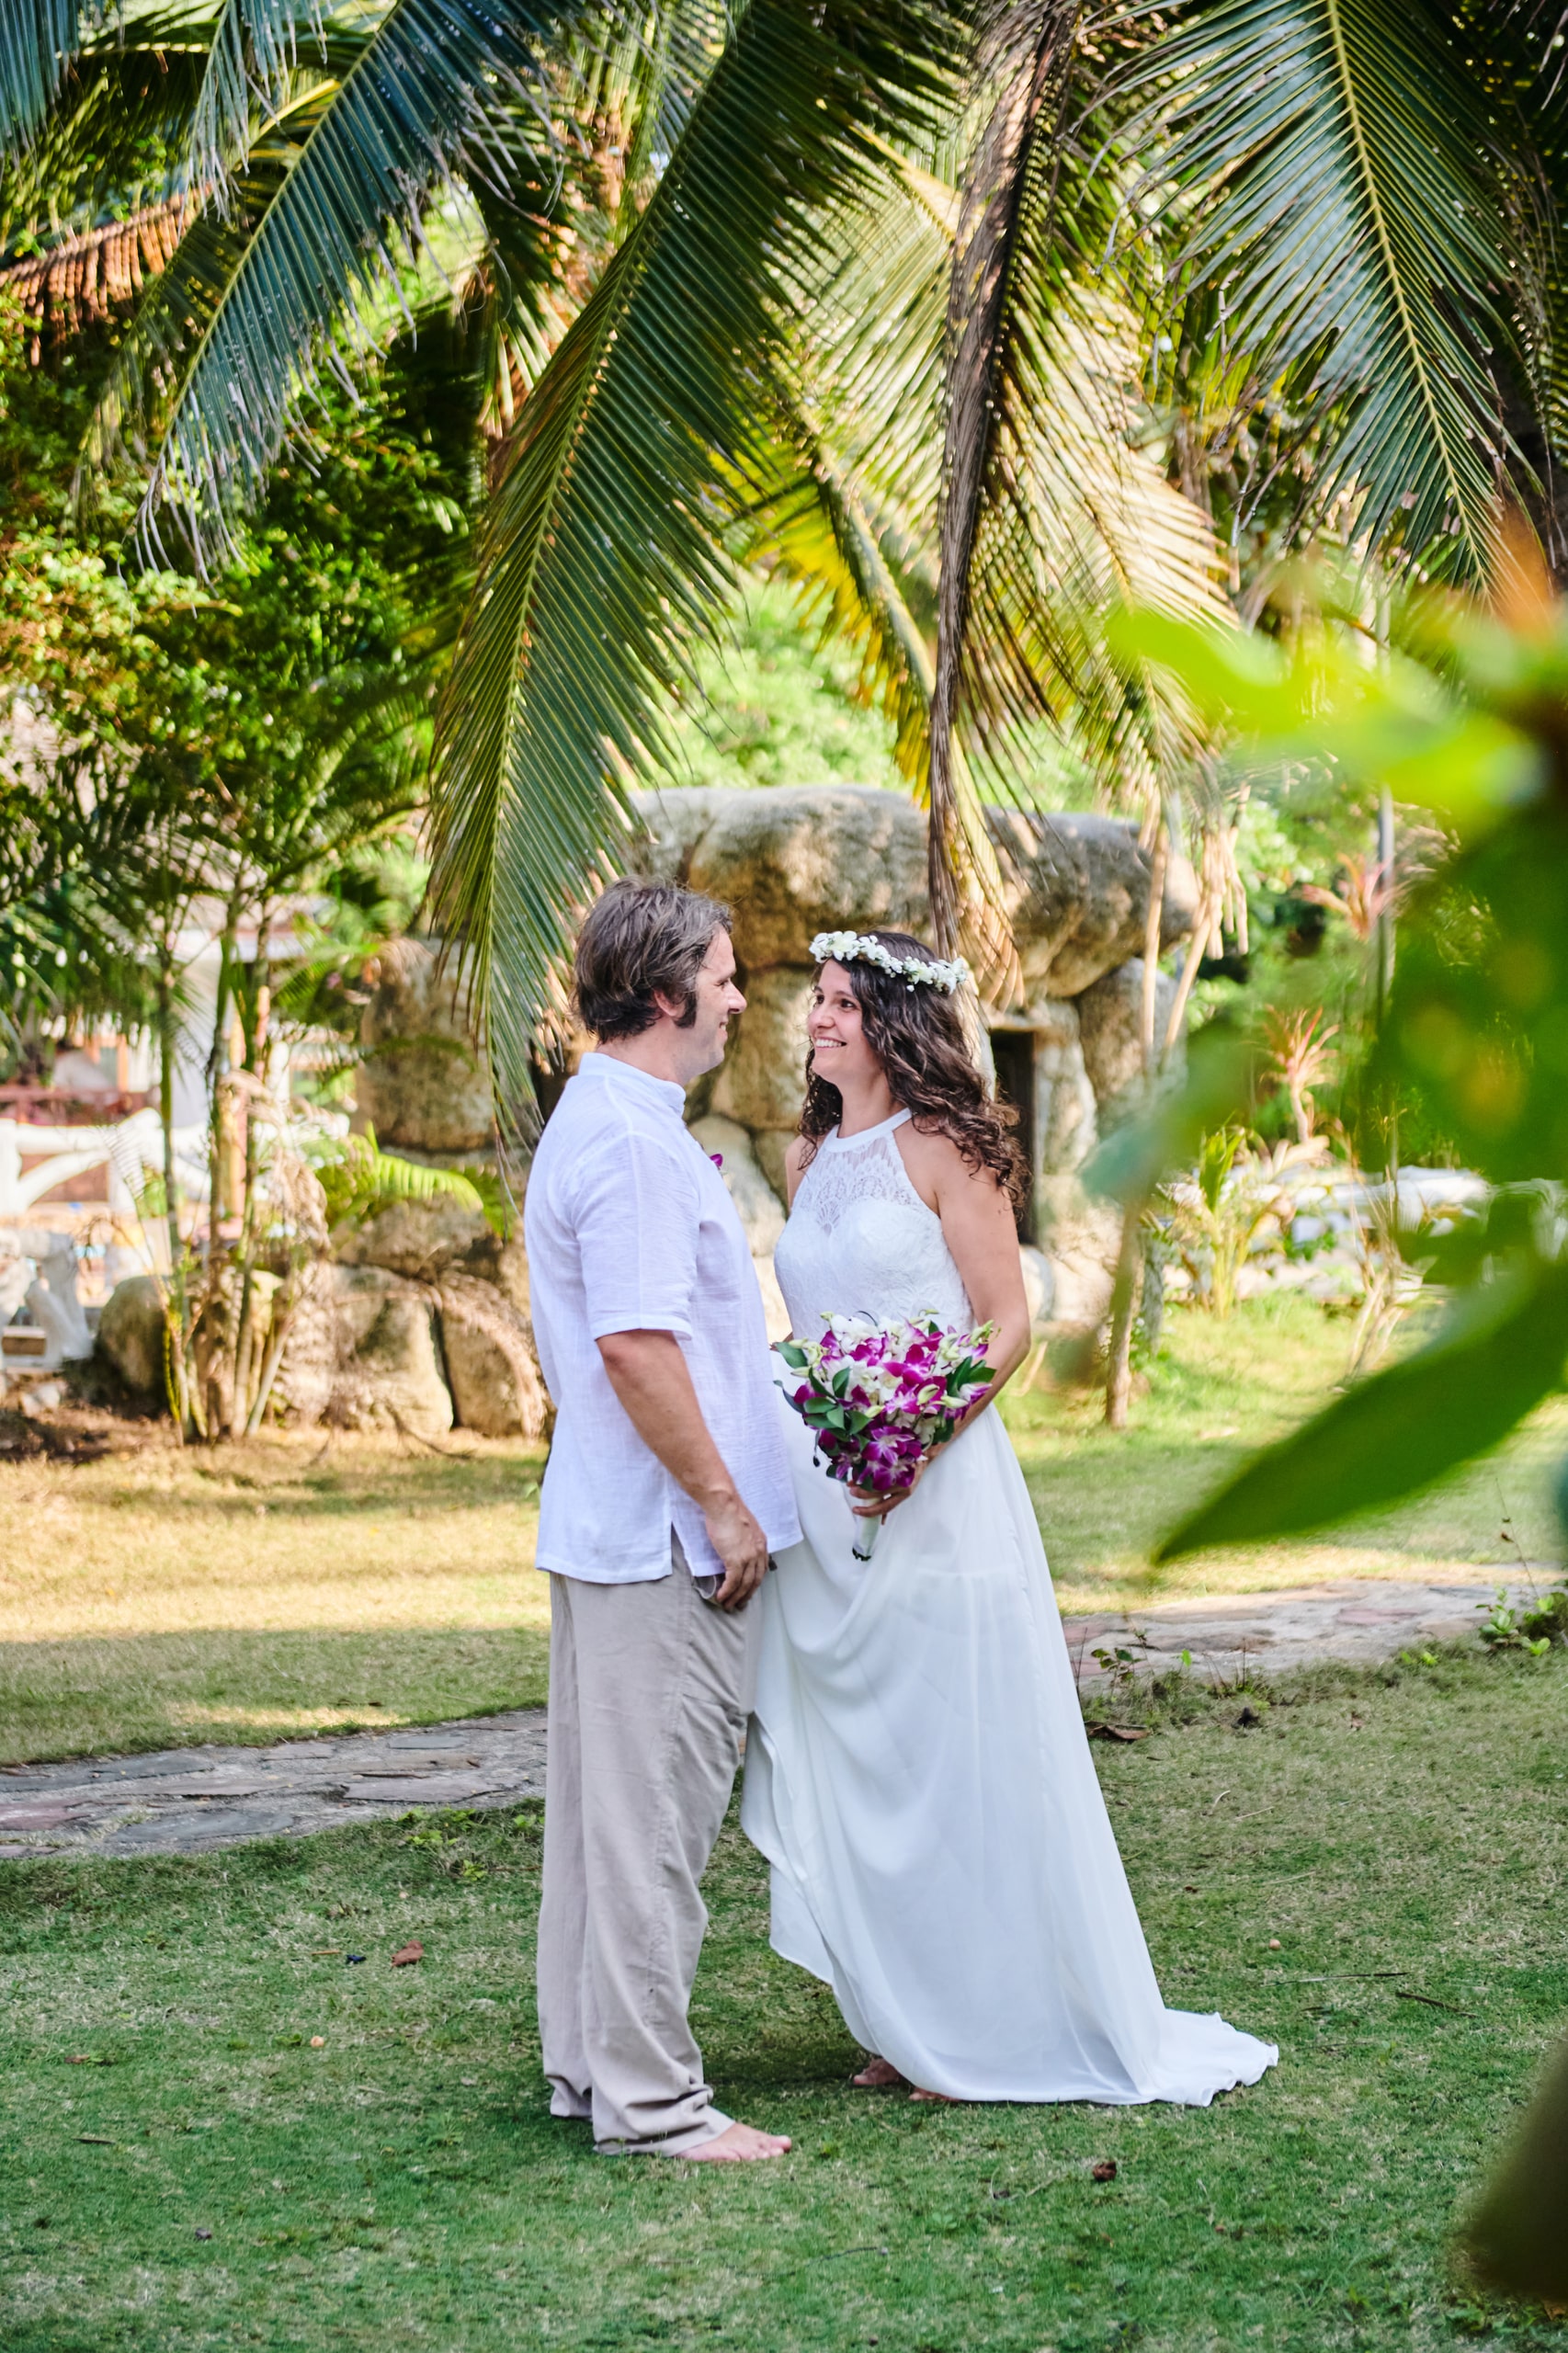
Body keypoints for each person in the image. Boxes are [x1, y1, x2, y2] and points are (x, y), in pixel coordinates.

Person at [741, 929, 1278, 2106]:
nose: (816, 1020)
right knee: (868, 1761)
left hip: (938, 1495)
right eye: (816, 1003)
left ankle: (989, 2022)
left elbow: (1002, 1324)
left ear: (890, 1021)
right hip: (830, 1510)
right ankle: (901, 2013)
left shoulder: (948, 1149)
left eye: (837, 1004)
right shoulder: (808, 1155)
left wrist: (912, 1437)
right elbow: (807, 1332)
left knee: (956, 1757)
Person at [526, 879, 801, 2161]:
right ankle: (651, 2104)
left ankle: (590, 2072)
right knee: (651, 1833)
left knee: (603, 1824)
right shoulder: (632, 1143)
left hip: (607, 1528)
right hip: (657, 1542)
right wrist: (723, 1506)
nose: (741, 995)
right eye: (725, 972)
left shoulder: (611, 1119)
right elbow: (637, 1348)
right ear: (663, 991)